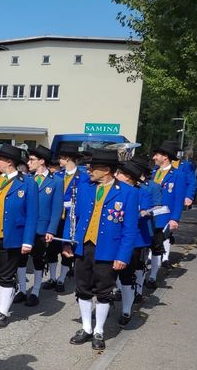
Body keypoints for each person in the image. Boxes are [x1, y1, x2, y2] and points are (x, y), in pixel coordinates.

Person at [63, 149, 138, 350]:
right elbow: (73, 217)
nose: (89, 170)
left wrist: (123, 256)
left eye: (93, 167)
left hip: (108, 249)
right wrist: (67, 242)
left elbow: (130, 229)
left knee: (104, 292)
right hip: (83, 246)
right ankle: (87, 328)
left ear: (106, 170)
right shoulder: (84, 186)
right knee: (83, 288)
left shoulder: (128, 192)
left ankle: (99, 330)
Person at [0, 144, 38, 329]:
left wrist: (27, 241)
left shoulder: (27, 183)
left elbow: (32, 214)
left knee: (5, 276)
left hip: (10, 238)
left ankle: (3, 312)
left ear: (9, 162)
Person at [15, 146, 63, 307]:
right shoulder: (27, 179)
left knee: (37, 259)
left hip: (41, 228)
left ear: (42, 161)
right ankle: (22, 290)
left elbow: (57, 209)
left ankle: (35, 291)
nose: (29, 163)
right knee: (20, 259)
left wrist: (51, 230)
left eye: (32, 160)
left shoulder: (56, 181)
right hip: (24, 226)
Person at [114, 156, 156, 326]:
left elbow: (145, 212)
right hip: (115, 237)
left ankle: (126, 309)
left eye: (120, 173)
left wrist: (136, 214)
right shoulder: (115, 190)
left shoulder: (142, 192)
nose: (117, 175)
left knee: (126, 275)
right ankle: (107, 301)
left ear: (129, 177)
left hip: (134, 240)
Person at [44, 145, 89, 292]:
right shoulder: (57, 176)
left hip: (70, 218)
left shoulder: (83, 178)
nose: (58, 161)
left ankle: (61, 279)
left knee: (66, 247)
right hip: (55, 217)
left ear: (68, 158)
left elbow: (83, 199)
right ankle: (52, 277)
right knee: (51, 249)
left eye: (61, 158)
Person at [147, 140, 187, 285]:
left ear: (165, 156)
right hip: (149, 215)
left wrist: (175, 219)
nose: (154, 158)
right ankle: (142, 273)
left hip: (164, 216)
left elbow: (178, 199)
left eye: (156, 155)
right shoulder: (152, 173)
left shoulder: (178, 175)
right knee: (145, 245)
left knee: (157, 246)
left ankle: (152, 277)